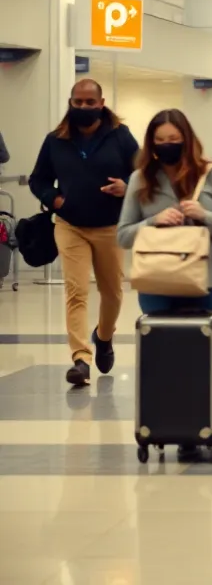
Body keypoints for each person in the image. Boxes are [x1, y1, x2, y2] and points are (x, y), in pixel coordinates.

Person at [30, 78, 139, 386]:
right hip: (70, 226)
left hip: (109, 226)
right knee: (76, 291)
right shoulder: (56, 140)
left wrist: (127, 187)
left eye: (89, 103)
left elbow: (144, 174)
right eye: (77, 102)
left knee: (113, 293)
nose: (83, 107)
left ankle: (104, 337)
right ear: (71, 103)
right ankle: (81, 359)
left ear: (101, 104)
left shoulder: (120, 137)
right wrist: (54, 199)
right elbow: (38, 180)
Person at [117, 109, 212, 313]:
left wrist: (204, 216)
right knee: (160, 343)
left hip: (208, 280)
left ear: (187, 139)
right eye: (160, 139)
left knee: (209, 343)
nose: (167, 144)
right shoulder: (140, 179)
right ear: (151, 143)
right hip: (156, 281)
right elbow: (123, 237)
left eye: (174, 138)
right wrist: (153, 221)